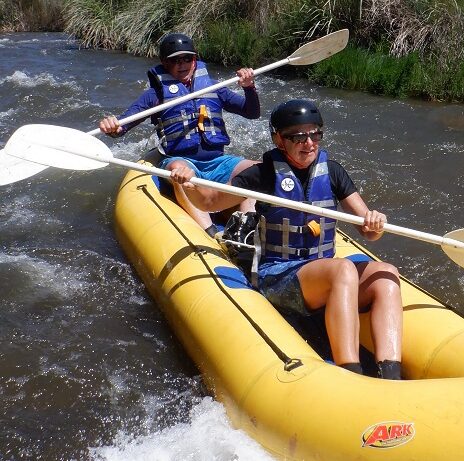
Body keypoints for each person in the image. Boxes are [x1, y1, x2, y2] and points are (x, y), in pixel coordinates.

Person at [170, 99, 403, 380]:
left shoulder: (333, 171)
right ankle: (350, 373)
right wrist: (189, 183)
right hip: (278, 275)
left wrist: (375, 222)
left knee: (386, 274)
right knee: (342, 269)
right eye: (299, 137)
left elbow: (369, 231)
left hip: (322, 274)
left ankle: (391, 373)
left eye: (315, 134)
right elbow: (210, 202)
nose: (309, 143)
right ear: (279, 140)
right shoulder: (265, 173)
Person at [99, 32, 260, 236]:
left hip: (217, 162)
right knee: (180, 171)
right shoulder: (156, 95)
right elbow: (123, 126)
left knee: (257, 170)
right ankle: (210, 233)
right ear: (165, 63)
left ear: (195, 59)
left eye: (187, 58)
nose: (182, 64)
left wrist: (249, 87)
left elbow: (252, 112)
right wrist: (113, 127)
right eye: (175, 60)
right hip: (181, 161)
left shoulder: (215, 88)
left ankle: (245, 230)